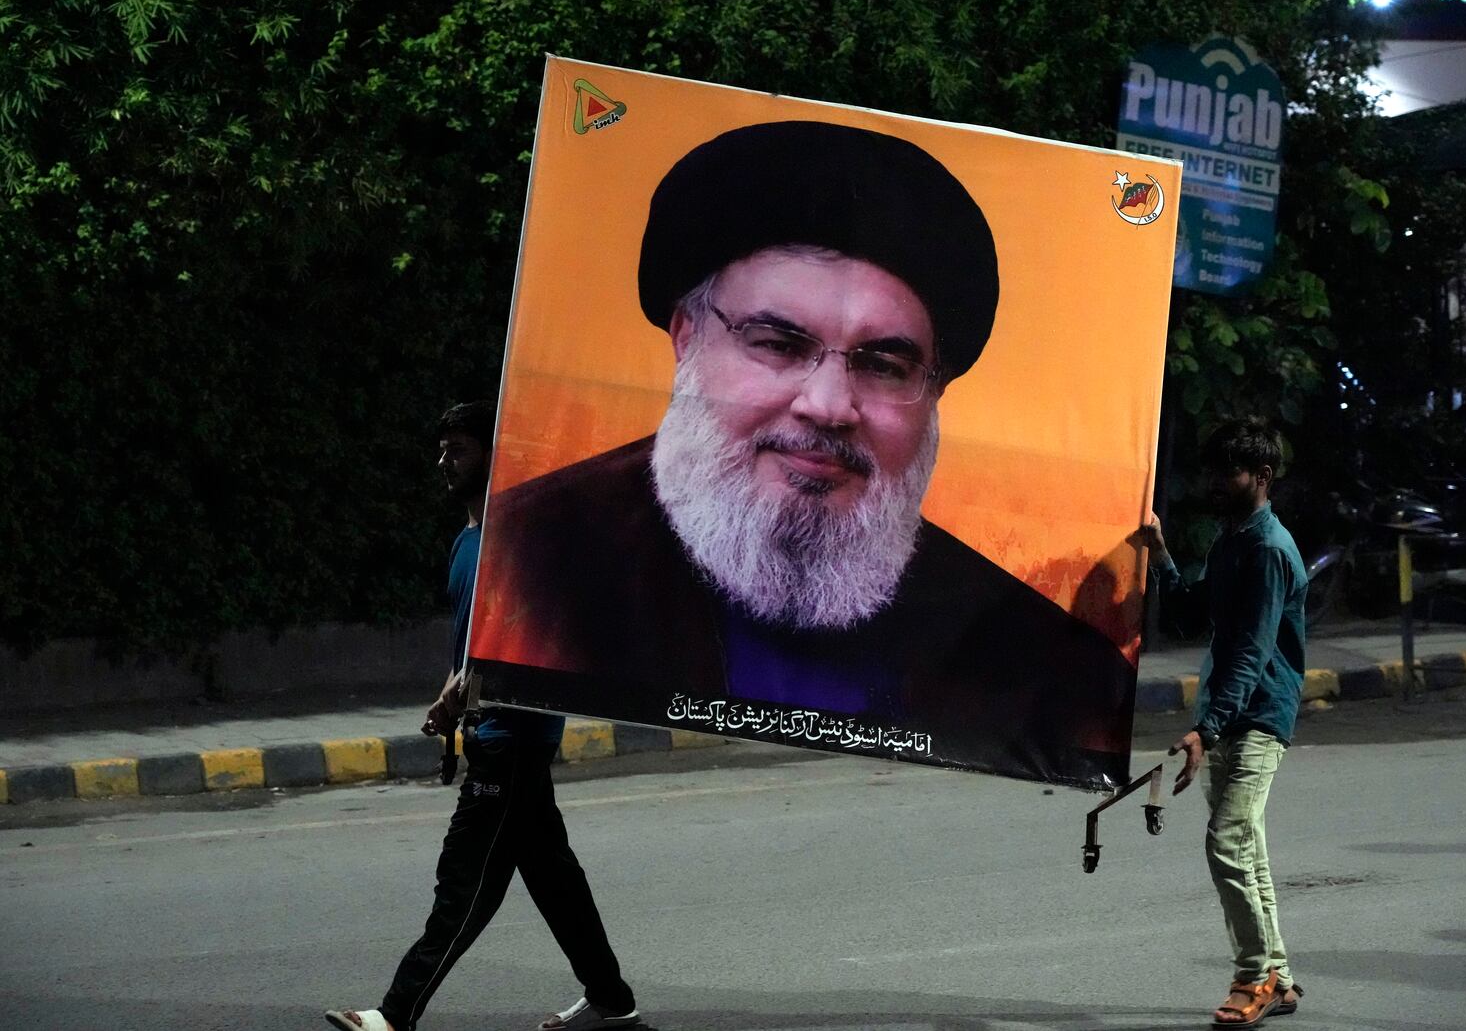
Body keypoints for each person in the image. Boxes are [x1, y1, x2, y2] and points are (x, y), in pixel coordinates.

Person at [469, 120, 1136, 788]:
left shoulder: (1037, 661)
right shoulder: (529, 563)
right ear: (687, 337)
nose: (828, 404)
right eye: (778, 344)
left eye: (884, 365)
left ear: (933, 391)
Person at [326, 402, 640, 1031]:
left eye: (459, 450)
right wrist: (450, 696)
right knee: (555, 882)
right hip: (490, 733)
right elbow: (472, 649)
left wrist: (473, 690)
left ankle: (394, 1014)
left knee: (462, 885)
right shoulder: (466, 544)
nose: (445, 462)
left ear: (494, 457)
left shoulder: (519, 541)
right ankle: (612, 999)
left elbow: (538, 636)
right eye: (441, 450)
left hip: (514, 737)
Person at [1134, 418, 1307, 1028]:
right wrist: (1160, 556)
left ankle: (1252, 975)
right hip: (1231, 711)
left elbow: (1252, 652)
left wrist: (1207, 729)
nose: (1214, 481)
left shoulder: (1267, 550)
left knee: (1226, 844)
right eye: (1211, 470)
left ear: (1261, 478)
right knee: (1247, 848)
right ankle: (1277, 979)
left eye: (1226, 472)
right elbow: (1190, 615)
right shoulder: (1231, 540)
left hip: (1257, 716)